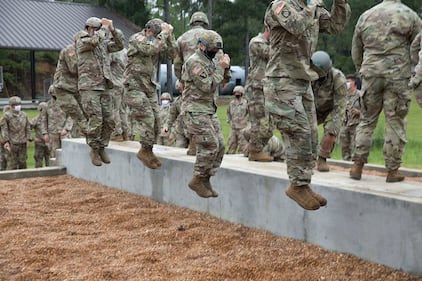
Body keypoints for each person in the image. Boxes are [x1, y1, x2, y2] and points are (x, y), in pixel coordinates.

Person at [264, 0, 350, 210]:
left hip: (303, 80)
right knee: (299, 132)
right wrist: (314, 6)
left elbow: (334, 26)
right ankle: (297, 186)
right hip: (282, 79)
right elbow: (296, 25)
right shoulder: (281, 5)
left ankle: (304, 183)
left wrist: (340, 4)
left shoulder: (312, 6)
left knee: (311, 135)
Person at [350, 0, 421, 182]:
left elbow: (356, 48)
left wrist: (362, 70)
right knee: (395, 121)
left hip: (371, 72)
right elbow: (417, 46)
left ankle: (357, 166)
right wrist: (412, 69)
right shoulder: (409, 15)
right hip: (397, 74)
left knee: (366, 120)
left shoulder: (366, 15)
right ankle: (392, 171)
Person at [181, 29, 230, 198]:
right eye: (212, 50)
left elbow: (223, 80)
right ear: (202, 46)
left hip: (208, 109)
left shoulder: (209, 61)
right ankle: (197, 179)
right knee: (210, 145)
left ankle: (206, 178)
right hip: (195, 109)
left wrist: (225, 68)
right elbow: (207, 85)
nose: (214, 53)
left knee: (221, 145)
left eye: (216, 51)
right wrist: (220, 68)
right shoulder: (194, 62)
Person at [123, 18, 177, 169]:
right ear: (148, 30)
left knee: (157, 121)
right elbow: (150, 49)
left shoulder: (158, 40)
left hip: (148, 87)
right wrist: (164, 34)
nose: (154, 35)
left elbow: (172, 54)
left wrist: (170, 35)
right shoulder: (137, 38)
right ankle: (145, 150)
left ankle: (148, 150)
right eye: (154, 33)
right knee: (147, 117)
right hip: (134, 86)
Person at [74, 17, 124, 166]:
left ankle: (102, 146)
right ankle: (94, 149)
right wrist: (103, 29)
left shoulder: (102, 44)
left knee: (109, 120)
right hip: (89, 86)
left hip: (104, 85)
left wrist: (113, 30)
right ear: (89, 28)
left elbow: (120, 45)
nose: (98, 32)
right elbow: (94, 41)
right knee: (96, 119)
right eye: (95, 29)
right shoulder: (82, 40)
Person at [311, 51, 347, 172]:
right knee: (302, 130)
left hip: (331, 109)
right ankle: (304, 158)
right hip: (312, 107)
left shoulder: (338, 78)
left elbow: (340, 107)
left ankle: (322, 158)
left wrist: (333, 130)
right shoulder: (308, 76)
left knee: (331, 132)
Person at [245, 27, 274, 162]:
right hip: (256, 88)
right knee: (258, 119)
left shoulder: (268, 43)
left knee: (268, 124)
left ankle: (252, 147)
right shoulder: (257, 42)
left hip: (267, 88)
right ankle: (255, 151)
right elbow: (272, 54)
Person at [53, 35, 88, 137]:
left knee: (86, 112)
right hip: (63, 87)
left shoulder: (84, 51)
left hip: (76, 88)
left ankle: (86, 136)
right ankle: (86, 133)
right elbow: (74, 68)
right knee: (77, 113)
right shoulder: (70, 50)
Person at [0, 96, 32, 170]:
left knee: (23, 162)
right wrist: (6, 141)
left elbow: (27, 127)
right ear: (11, 106)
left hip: (22, 142)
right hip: (12, 143)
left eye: (19, 104)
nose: (18, 106)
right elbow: (4, 130)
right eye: (15, 105)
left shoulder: (24, 115)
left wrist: (28, 139)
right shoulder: (6, 116)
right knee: (12, 163)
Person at [45, 85, 73, 159]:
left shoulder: (65, 103)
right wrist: (45, 133)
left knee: (67, 152)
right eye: (52, 93)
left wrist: (66, 129)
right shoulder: (47, 105)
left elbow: (70, 117)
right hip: (52, 133)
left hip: (64, 133)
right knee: (54, 153)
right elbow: (44, 120)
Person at [162, 80, 190, 149]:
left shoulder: (195, 100)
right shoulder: (177, 101)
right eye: (180, 90)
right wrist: (167, 125)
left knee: (195, 152)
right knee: (178, 149)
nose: (181, 91)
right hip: (181, 130)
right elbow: (172, 115)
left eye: (182, 89)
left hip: (194, 130)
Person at [339, 74, 361, 161]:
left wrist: (359, 112)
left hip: (355, 124)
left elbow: (368, 111)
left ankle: (354, 162)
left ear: (354, 83)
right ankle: (345, 161)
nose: (346, 84)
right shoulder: (344, 95)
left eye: (348, 82)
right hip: (344, 123)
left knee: (354, 144)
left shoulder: (360, 95)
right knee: (344, 145)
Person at [110, 48, 129, 142]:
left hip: (114, 84)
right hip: (123, 83)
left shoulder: (113, 51)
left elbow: (106, 65)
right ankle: (125, 132)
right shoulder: (125, 51)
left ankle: (117, 133)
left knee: (114, 109)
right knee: (122, 110)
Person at [226, 85, 248, 154]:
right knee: (231, 145)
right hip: (233, 128)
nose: (237, 94)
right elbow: (228, 113)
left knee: (242, 146)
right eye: (235, 92)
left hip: (242, 128)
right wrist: (229, 121)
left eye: (238, 92)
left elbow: (250, 113)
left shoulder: (245, 103)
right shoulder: (231, 103)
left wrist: (245, 120)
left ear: (242, 93)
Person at [30, 102, 50, 168]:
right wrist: (33, 138)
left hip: (50, 143)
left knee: (50, 161)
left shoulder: (50, 119)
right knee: (38, 161)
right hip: (39, 143)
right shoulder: (36, 119)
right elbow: (26, 129)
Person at [0, 105, 11, 170]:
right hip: (3, 142)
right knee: (2, 158)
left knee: (9, 158)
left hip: (11, 142)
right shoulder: (2, 120)